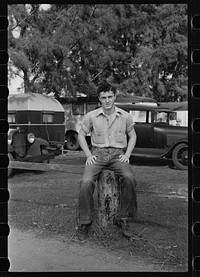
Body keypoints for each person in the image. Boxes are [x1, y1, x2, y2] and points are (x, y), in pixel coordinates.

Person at [76, 81, 138, 241]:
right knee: (85, 182)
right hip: (98, 154)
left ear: (115, 96)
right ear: (99, 99)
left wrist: (128, 154)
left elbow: (133, 136)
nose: (108, 100)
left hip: (118, 154)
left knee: (130, 178)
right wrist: (89, 155)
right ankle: (85, 222)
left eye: (110, 96)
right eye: (104, 97)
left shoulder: (125, 116)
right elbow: (81, 135)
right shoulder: (91, 116)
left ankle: (123, 218)